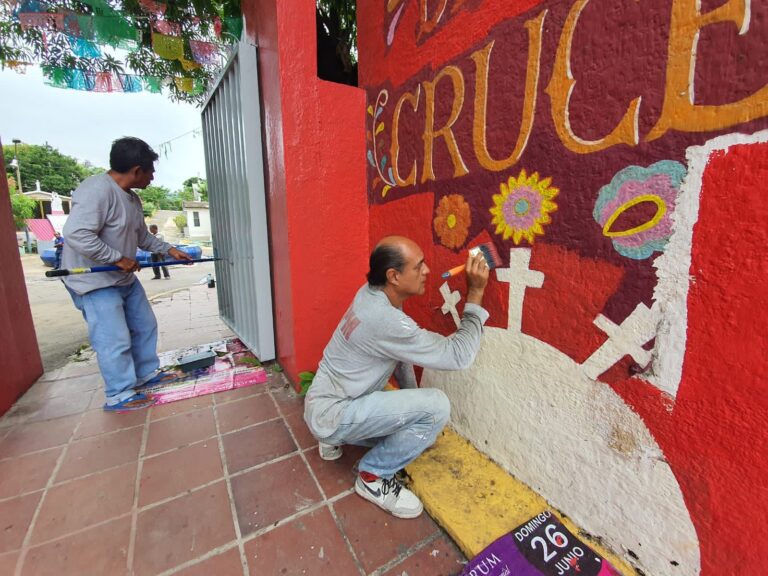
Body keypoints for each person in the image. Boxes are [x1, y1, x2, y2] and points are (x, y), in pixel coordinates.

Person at [303, 236, 490, 519]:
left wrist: (412, 407)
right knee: (437, 407)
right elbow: (459, 355)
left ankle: (333, 440)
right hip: (332, 413)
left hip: (324, 399)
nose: (427, 271)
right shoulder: (386, 320)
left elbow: (400, 355)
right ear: (394, 276)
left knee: (420, 428)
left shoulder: (370, 293)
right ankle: (372, 477)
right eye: (419, 266)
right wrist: (475, 293)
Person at [61, 137, 193, 412]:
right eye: (150, 172)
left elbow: (142, 237)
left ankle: (146, 373)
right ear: (136, 170)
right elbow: (76, 234)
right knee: (113, 339)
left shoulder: (132, 199)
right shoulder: (96, 190)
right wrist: (116, 258)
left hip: (122, 278)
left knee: (144, 325)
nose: (152, 178)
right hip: (95, 281)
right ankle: (119, 394)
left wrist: (170, 250)